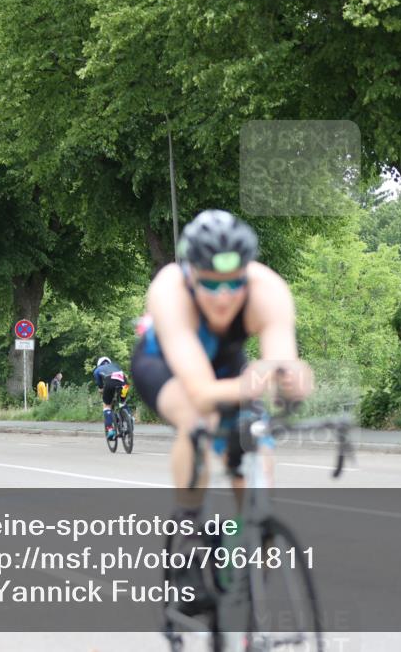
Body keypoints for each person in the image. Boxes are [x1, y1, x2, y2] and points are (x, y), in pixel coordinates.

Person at [130, 209, 313, 507]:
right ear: (192, 275)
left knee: (253, 439)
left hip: (226, 363)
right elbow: (202, 394)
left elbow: (281, 365)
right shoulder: (170, 290)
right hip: (163, 365)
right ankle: (189, 520)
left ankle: (252, 534)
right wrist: (257, 380)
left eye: (234, 282)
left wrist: (292, 382)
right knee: (199, 421)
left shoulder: (267, 291)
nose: (224, 296)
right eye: (211, 284)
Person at [93, 357, 127, 440]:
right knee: (122, 402)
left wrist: (101, 389)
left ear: (99, 364)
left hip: (109, 383)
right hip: (124, 383)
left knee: (106, 405)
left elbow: (100, 386)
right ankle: (129, 417)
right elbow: (124, 375)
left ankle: (110, 430)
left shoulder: (98, 370)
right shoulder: (115, 365)